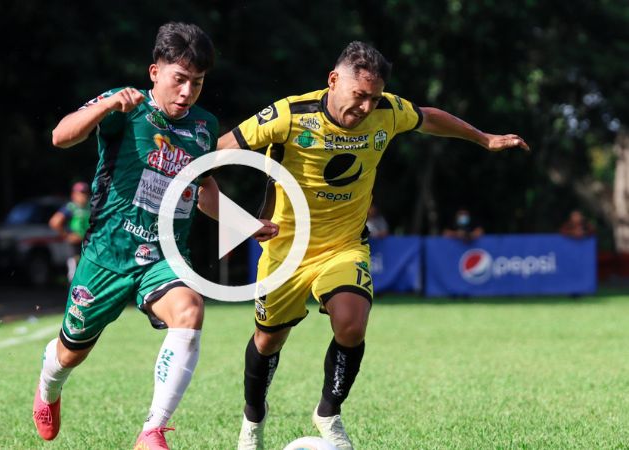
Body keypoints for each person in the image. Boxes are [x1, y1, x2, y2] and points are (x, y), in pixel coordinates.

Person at [217, 41, 529, 450]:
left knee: (352, 323)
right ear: (333, 80)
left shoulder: (388, 111)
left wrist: (484, 139)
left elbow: (429, 117)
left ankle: (328, 411)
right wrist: (238, 220)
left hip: (344, 245)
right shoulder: (289, 115)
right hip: (285, 250)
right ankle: (253, 418)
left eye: (374, 98)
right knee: (268, 341)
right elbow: (216, 154)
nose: (366, 107)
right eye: (359, 95)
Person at [32, 22, 277, 450]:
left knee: (190, 310)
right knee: (71, 352)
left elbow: (204, 188)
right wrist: (106, 105)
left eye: (197, 83)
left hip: (165, 256)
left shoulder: (204, 126)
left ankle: (152, 431)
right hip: (108, 255)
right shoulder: (125, 106)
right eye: (179, 79)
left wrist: (246, 224)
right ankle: (48, 386)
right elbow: (60, 136)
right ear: (155, 72)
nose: (187, 92)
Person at [49, 181, 91, 282]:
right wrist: (67, 236)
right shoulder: (71, 207)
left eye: (86, 193)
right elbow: (54, 222)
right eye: (81, 193)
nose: (84, 196)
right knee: (74, 274)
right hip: (75, 246)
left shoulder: (90, 206)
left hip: (88, 245)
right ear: (74, 195)